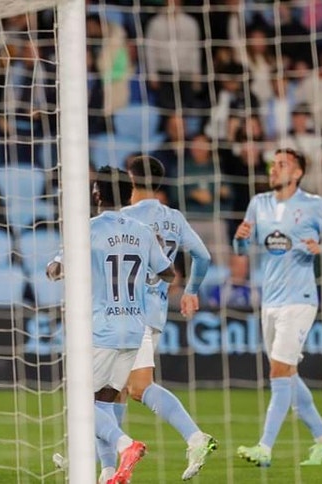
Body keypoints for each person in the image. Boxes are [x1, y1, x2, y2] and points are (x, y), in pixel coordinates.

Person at [46, 166, 174, 484]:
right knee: (103, 401)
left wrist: (54, 266)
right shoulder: (143, 231)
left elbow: (55, 271)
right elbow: (169, 274)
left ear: (96, 193)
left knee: (82, 406)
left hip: (101, 328)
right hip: (134, 329)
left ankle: (125, 445)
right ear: (129, 195)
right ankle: (109, 472)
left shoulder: (86, 229)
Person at [234, 148, 322, 467]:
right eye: (273, 164)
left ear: (296, 173)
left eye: (282, 165)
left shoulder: (314, 205)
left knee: (278, 371)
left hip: (300, 300)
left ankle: (264, 447)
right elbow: (242, 248)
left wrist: (320, 247)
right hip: (269, 300)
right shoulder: (259, 203)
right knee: (288, 374)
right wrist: (240, 238)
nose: (274, 169)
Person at [117, 155, 217, 480]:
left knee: (137, 387)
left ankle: (194, 436)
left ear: (130, 179)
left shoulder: (122, 217)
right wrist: (191, 291)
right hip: (156, 313)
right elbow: (203, 255)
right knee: (113, 387)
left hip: (127, 312)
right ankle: (111, 463)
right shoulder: (173, 218)